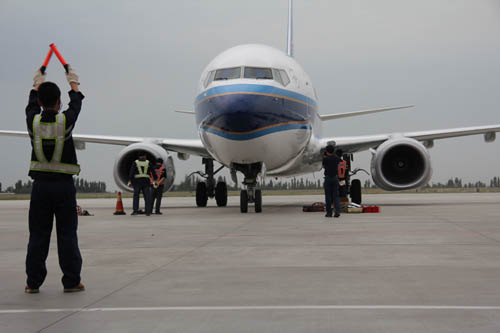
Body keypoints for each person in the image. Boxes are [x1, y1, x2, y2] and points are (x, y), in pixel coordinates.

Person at [24, 66, 85, 293]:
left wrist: (36, 84)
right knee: (67, 235)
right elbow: (76, 105)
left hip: (40, 188)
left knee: (38, 236)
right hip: (63, 187)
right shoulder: (65, 122)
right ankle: (71, 280)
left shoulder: (33, 122)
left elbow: (31, 106)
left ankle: (33, 283)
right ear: (59, 102)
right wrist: (74, 84)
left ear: (40, 102)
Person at [322, 144, 341, 218]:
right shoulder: (336, 158)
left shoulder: (325, 159)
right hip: (335, 178)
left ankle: (329, 213)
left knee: (328, 197)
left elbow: (323, 166)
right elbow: (339, 163)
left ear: (327, 151)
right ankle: (337, 212)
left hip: (328, 178)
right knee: (336, 196)